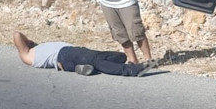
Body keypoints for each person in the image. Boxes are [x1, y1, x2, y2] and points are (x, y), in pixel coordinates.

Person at [13, 32, 157, 77]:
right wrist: (30, 42)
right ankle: (131, 70)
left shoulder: (39, 49)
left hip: (71, 55)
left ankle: (84, 67)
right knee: (95, 59)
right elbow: (17, 35)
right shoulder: (28, 56)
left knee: (119, 57)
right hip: (64, 55)